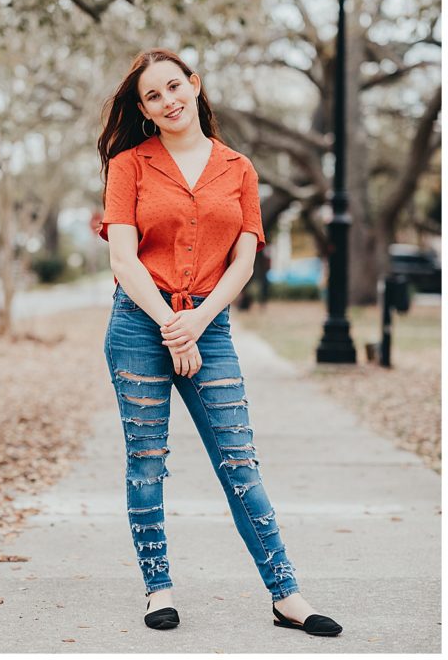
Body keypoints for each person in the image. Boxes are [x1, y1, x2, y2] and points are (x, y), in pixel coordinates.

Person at [97, 49, 341, 636]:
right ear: (143, 110)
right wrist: (168, 324)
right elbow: (122, 258)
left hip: (210, 326)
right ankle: (158, 588)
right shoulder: (128, 165)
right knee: (146, 464)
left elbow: (245, 259)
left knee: (239, 463)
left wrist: (196, 323)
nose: (168, 101)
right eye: (152, 96)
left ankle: (287, 595)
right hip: (138, 325)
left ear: (195, 85)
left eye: (174, 86)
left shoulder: (238, 168)